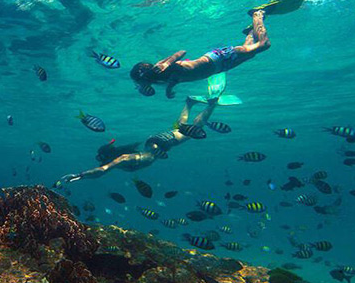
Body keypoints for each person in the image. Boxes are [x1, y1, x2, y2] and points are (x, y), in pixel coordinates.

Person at [56, 96, 218, 184]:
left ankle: (211, 104)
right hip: (154, 143)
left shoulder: (122, 159)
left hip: (159, 144)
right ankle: (189, 103)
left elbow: (102, 171)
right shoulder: (123, 158)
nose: (100, 161)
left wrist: (79, 175)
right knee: (181, 128)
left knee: (193, 132)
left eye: (102, 158)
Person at [130, 10, 270, 99]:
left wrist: (168, 62)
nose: (140, 84)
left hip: (217, 58)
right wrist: (169, 90)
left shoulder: (161, 67)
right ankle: (251, 31)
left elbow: (182, 52)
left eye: (140, 81)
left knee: (264, 45)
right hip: (219, 68)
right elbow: (176, 79)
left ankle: (257, 15)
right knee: (250, 52)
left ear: (145, 76)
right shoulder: (162, 79)